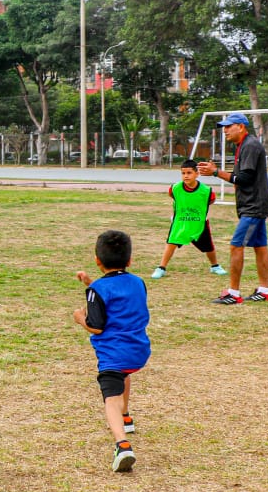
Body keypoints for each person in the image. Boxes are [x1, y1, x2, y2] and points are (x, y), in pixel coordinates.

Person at [74, 229, 151, 473]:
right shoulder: (138, 282)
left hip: (113, 354)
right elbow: (119, 296)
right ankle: (126, 417)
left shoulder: (97, 291)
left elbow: (96, 327)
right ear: (129, 260)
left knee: (111, 397)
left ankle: (122, 445)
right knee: (124, 375)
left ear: (98, 260)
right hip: (138, 350)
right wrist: (90, 285)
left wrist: (79, 318)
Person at [198, 112, 268, 304]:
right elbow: (241, 178)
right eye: (224, 127)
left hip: (253, 206)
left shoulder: (250, 145)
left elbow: (245, 179)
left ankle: (234, 293)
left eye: (228, 126)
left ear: (241, 126)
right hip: (254, 204)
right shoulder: (244, 145)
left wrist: (216, 172)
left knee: (236, 245)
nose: (225, 131)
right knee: (259, 246)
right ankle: (265, 290)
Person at [150, 159, 226, 280]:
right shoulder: (175, 188)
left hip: (199, 224)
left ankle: (215, 266)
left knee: (209, 247)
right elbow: (173, 196)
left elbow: (211, 200)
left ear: (197, 174)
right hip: (180, 223)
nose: (186, 176)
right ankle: (161, 268)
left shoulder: (206, 191)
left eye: (189, 173)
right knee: (171, 243)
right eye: (183, 173)